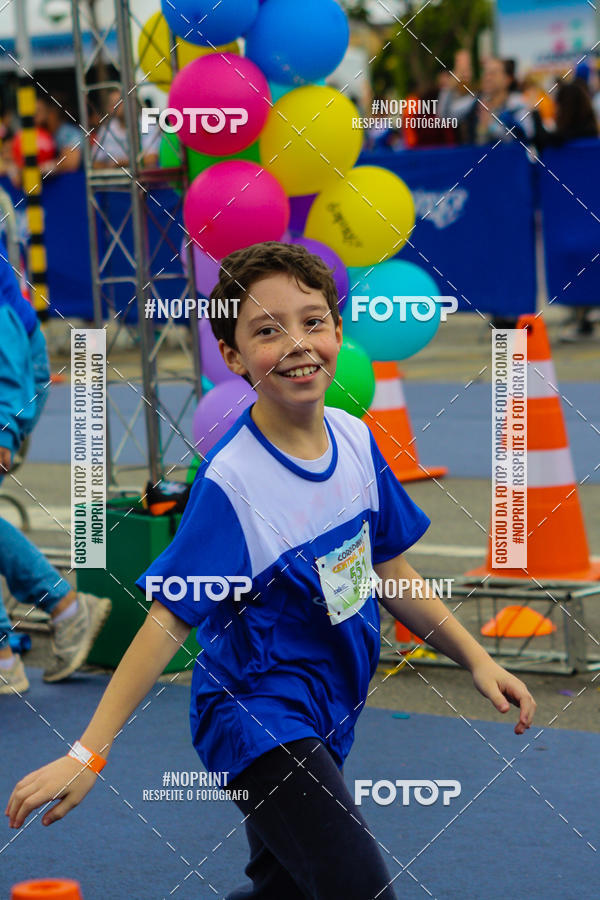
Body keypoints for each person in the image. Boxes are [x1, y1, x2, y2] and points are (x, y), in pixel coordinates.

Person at [6, 243, 536, 898]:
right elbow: (170, 620)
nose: (297, 344)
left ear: (339, 331)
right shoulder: (232, 481)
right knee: (357, 886)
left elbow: (391, 572)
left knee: (283, 892)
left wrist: (476, 658)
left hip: (330, 706)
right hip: (257, 718)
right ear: (231, 356)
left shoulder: (356, 441)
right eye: (266, 330)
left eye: (313, 321)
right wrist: (87, 754)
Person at [0, 241, 111, 693]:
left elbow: (7, 350)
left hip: (11, 381)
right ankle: (66, 608)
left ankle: (5, 658)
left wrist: (5, 428)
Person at [459, 57, 538, 147]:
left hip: (509, 159)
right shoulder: (475, 101)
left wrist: (492, 126)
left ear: (507, 79)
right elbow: (446, 114)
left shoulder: (517, 104)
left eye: (493, 73)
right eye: (485, 73)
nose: (487, 78)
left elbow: (527, 135)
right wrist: (449, 87)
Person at [91, 88, 159, 169]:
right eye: (111, 104)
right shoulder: (106, 129)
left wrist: (119, 164)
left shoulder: (147, 123)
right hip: (115, 180)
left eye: (118, 103)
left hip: (143, 179)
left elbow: (151, 158)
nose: (115, 107)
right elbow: (94, 163)